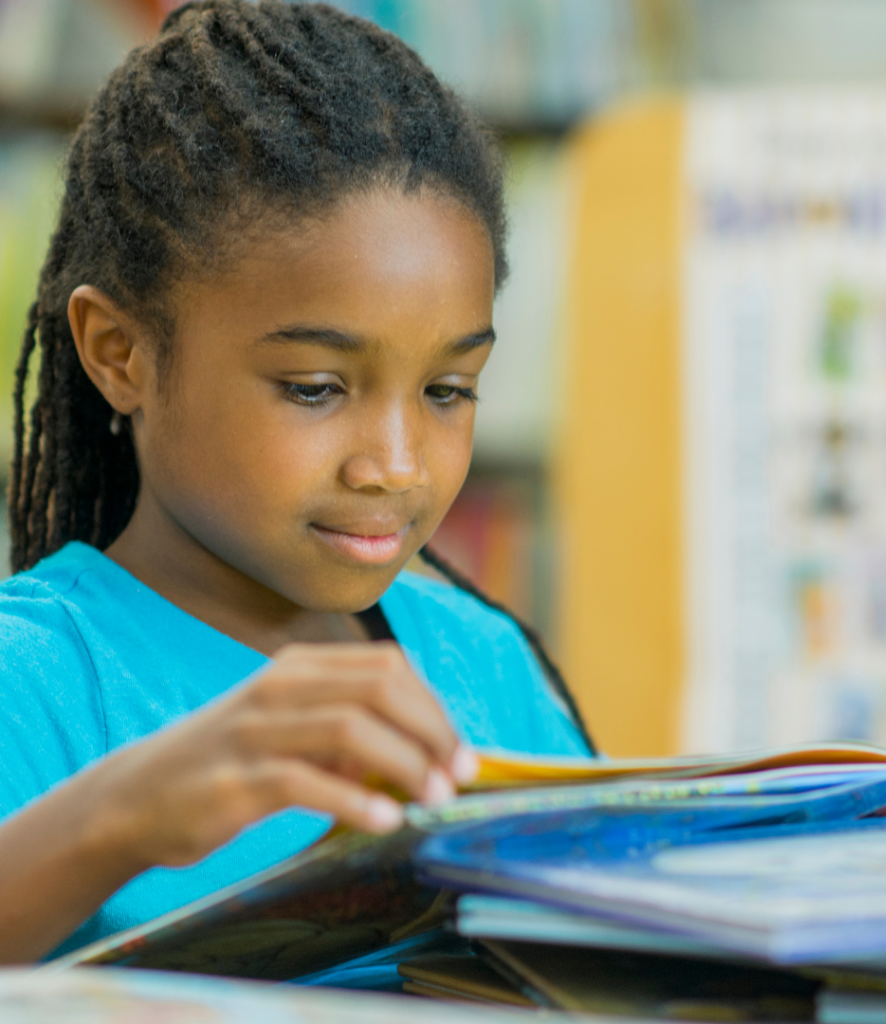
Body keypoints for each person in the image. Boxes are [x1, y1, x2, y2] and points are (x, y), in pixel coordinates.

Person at [0, 0, 594, 964]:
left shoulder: (486, 664)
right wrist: (121, 818)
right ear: (120, 353)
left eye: (449, 390)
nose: (395, 464)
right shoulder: (33, 677)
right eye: (315, 389)